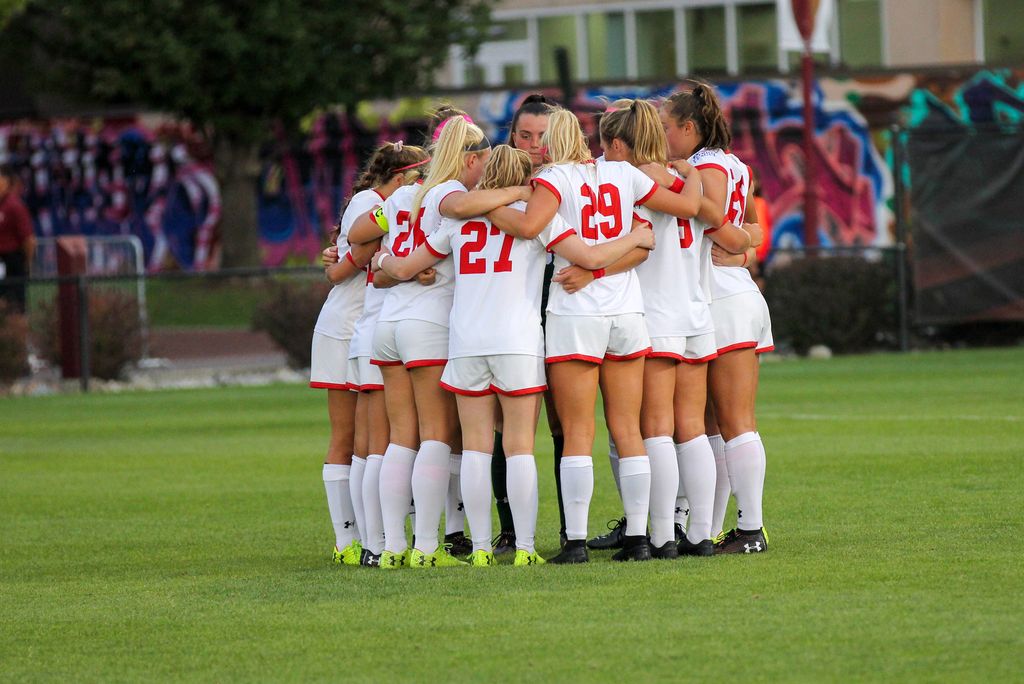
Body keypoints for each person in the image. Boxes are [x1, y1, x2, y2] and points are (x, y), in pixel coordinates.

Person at [486, 107, 704, 563]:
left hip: (575, 315)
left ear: (551, 143)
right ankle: (642, 539)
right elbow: (686, 209)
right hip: (627, 313)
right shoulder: (623, 173)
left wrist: (483, 206)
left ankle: (577, 542)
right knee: (629, 429)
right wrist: (687, 178)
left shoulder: (552, 181)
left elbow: (531, 228)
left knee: (579, 431)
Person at [348, 113, 526, 569]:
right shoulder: (451, 193)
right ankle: (426, 547)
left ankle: (389, 547)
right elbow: (446, 229)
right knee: (435, 437)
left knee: (399, 440)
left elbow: (357, 235)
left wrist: (387, 258)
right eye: (481, 159)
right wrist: (519, 191)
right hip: (426, 325)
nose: (483, 169)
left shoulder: (406, 193)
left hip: (387, 323)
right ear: (469, 158)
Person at [596, 100, 757, 558]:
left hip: (657, 316)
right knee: (691, 429)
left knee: (656, 430)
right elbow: (733, 233)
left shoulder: (633, 179)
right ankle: (702, 534)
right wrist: (743, 243)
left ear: (620, 142)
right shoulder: (687, 179)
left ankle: (663, 536)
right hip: (697, 315)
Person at [661, 83, 772, 554]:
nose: (662, 135)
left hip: (720, 299)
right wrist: (746, 248)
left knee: (734, 421)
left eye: (667, 128)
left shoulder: (706, 166)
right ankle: (705, 529)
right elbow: (753, 226)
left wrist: (738, 245)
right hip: (720, 295)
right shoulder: (733, 162)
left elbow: (714, 222)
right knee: (708, 423)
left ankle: (751, 529)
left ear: (689, 128)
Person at [311, 142, 427, 566]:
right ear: (401, 177)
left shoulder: (380, 202)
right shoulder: (374, 202)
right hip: (348, 327)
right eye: (419, 176)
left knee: (367, 440)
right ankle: (354, 543)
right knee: (355, 439)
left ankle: (365, 541)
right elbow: (343, 268)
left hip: (363, 327)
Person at [490, 93, 564, 555]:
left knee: (562, 426)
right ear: (511, 135)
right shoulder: (495, 182)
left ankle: (568, 531)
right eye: (525, 135)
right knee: (501, 428)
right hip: (509, 317)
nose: (534, 146)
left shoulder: (571, 180)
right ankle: (508, 531)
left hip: (560, 309)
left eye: (543, 137)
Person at [0, 165, 35, 314]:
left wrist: (26, 263)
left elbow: (29, 240)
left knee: (16, 305)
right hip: (2, 263)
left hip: (12, 261)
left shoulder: (14, 206)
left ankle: (18, 334)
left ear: (7, 182)